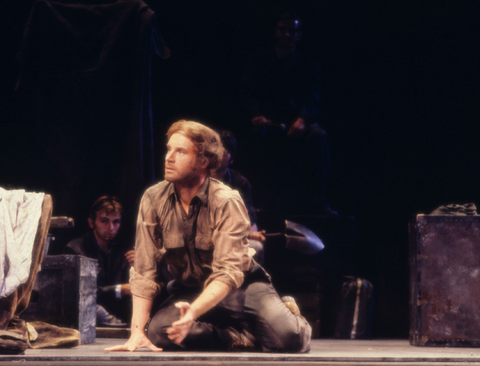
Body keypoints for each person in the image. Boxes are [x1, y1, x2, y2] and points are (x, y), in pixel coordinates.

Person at [105, 120, 311, 352]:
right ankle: (238, 337)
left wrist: (193, 312)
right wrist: (136, 332)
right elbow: (144, 271)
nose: (168, 157)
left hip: (241, 288)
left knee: (289, 339)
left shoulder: (225, 200)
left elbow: (228, 273)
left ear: (203, 161)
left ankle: (288, 314)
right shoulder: (153, 198)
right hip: (191, 289)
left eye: (180, 151)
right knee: (159, 332)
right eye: (169, 149)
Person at [240, 12, 336, 216]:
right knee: (254, 138)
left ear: (299, 35)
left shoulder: (309, 66)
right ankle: (256, 201)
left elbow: (314, 98)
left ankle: (319, 201)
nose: (286, 34)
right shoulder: (260, 61)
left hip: (297, 122)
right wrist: (256, 115)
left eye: (291, 30)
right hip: (268, 122)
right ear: (275, 32)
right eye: (282, 29)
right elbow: (248, 93)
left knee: (319, 137)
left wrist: (302, 119)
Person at [64, 196, 134, 326]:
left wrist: (139, 264)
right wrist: (120, 289)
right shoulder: (75, 249)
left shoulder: (124, 248)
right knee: (94, 310)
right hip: (90, 310)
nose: (111, 228)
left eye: (116, 222)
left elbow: (134, 287)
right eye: (104, 221)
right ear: (91, 223)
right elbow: (79, 293)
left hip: (117, 309)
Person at [212, 130, 265, 264]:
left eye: (224, 152)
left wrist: (251, 234)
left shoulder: (240, 183)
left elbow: (249, 220)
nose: (218, 155)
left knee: (256, 248)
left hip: (232, 239)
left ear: (231, 158)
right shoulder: (195, 178)